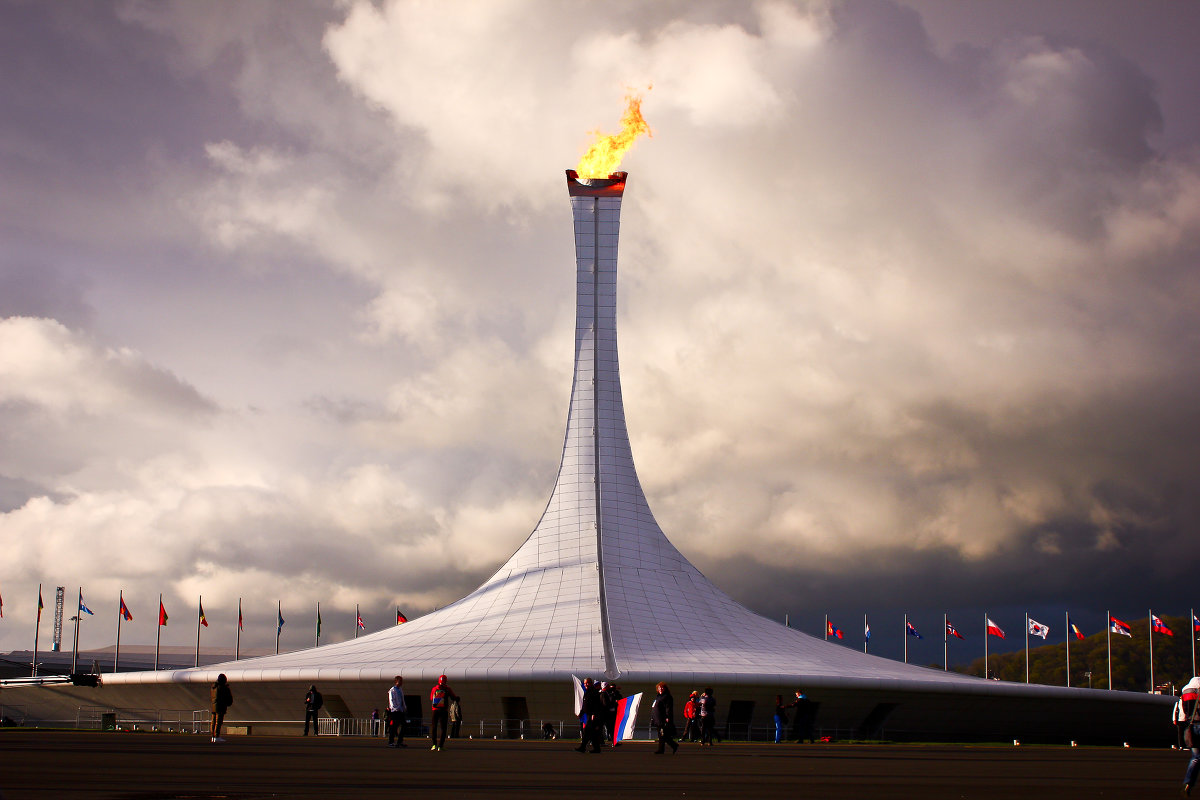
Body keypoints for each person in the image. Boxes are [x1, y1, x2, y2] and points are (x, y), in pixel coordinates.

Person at [574, 677, 605, 753]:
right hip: (588, 714)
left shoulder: (594, 692)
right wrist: (581, 713)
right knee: (591, 733)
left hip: (592, 715)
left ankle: (583, 747)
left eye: (587, 683)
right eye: (585, 683)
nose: (586, 685)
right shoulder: (587, 692)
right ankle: (596, 748)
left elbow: (596, 704)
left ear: (591, 683)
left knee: (587, 731)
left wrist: (594, 714)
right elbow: (585, 705)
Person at [429, 674, 459, 751]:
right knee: (443, 728)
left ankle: (434, 745)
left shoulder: (434, 688)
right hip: (443, 710)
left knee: (434, 727)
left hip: (435, 710)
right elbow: (453, 697)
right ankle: (440, 746)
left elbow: (431, 698)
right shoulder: (447, 689)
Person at [1182, 676, 1200, 795]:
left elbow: (1184, 710)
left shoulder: (1185, 691)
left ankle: (1189, 782)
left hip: (1192, 724)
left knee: (1196, 757)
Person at [651, 681, 679, 754]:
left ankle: (670, 746)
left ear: (665, 688)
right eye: (659, 688)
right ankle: (671, 746)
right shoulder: (658, 696)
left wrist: (667, 716)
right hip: (657, 718)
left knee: (663, 735)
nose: (660, 689)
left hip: (662, 719)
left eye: (662, 687)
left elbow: (668, 708)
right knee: (662, 735)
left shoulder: (667, 696)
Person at [210, 673, 232, 743]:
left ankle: (213, 736)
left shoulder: (213, 687)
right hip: (220, 707)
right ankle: (217, 736)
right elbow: (228, 698)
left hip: (214, 706)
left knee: (213, 722)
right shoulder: (222, 688)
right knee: (218, 722)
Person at [386, 676, 408, 748]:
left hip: (400, 710)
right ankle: (391, 742)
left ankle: (400, 741)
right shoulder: (392, 690)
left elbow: (402, 699)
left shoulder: (400, 690)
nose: (401, 683)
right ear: (396, 682)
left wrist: (404, 707)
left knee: (404, 725)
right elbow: (391, 700)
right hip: (395, 711)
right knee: (394, 727)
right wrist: (394, 708)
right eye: (400, 681)